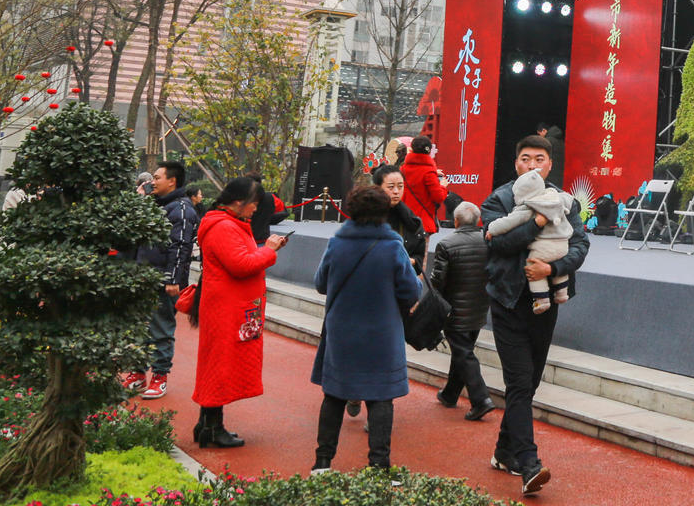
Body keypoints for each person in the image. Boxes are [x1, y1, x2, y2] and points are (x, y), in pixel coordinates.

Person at [482, 135, 589, 495]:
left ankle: (502, 452)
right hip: (508, 301)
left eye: (539, 159)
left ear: (549, 164)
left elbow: (580, 243)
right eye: (525, 159)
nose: (532, 165)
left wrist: (552, 267)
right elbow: (499, 242)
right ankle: (529, 463)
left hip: (546, 303)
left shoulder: (564, 199)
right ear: (517, 164)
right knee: (519, 381)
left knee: (530, 382)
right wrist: (539, 221)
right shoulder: (499, 199)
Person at [310, 185, 424, 472]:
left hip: (341, 330)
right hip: (382, 332)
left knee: (335, 394)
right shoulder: (392, 245)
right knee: (380, 396)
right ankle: (378, 465)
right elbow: (411, 290)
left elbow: (321, 283)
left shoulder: (337, 242)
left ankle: (322, 463)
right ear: (385, 211)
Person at [192, 176, 288, 448]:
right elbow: (242, 265)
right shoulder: (224, 227)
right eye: (254, 204)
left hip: (228, 305)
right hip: (226, 308)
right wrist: (268, 251)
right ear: (237, 202)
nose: (256, 209)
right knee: (220, 367)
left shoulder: (229, 224)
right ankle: (212, 428)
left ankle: (208, 425)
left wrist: (267, 250)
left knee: (218, 365)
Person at [130, 160, 199, 399]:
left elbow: (181, 247)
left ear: (172, 181)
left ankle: (159, 377)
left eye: (157, 178)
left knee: (160, 328)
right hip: (144, 276)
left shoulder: (181, 209)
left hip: (163, 280)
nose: (152, 182)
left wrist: (172, 279)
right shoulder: (157, 204)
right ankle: (137, 374)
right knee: (139, 327)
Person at [429, 201, 494, 420]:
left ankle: (481, 398)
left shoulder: (446, 244)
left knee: (464, 353)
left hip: (454, 309)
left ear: (455, 221)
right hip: (480, 306)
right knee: (462, 351)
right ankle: (450, 394)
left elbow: (437, 281)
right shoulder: (488, 243)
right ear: (478, 221)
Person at [486, 169, 574, 313]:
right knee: (559, 263)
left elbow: (507, 222)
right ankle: (562, 293)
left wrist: (492, 229)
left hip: (544, 247)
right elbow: (570, 200)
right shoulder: (556, 197)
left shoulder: (529, 206)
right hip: (563, 244)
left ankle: (541, 300)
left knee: (533, 266)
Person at [400, 135, 449, 235]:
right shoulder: (429, 172)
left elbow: (416, 175)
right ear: (429, 151)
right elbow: (438, 197)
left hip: (405, 220)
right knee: (421, 250)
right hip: (422, 223)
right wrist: (443, 186)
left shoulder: (402, 170)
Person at [246, 173, 290, 245]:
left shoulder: (240, 199)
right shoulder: (271, 197)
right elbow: (284, 212)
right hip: (263, 241)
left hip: (245, 242)